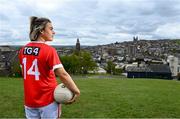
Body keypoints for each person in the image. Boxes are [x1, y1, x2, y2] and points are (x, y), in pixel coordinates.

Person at [18, 16, 80, 119]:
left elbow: (25, 74)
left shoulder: (22, 50)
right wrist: (76, 91)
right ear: (41, 30)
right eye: (51, 29)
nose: (54, 32)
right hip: (48, 101)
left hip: (29, 101)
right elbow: (63, 74)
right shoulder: (49, 50)